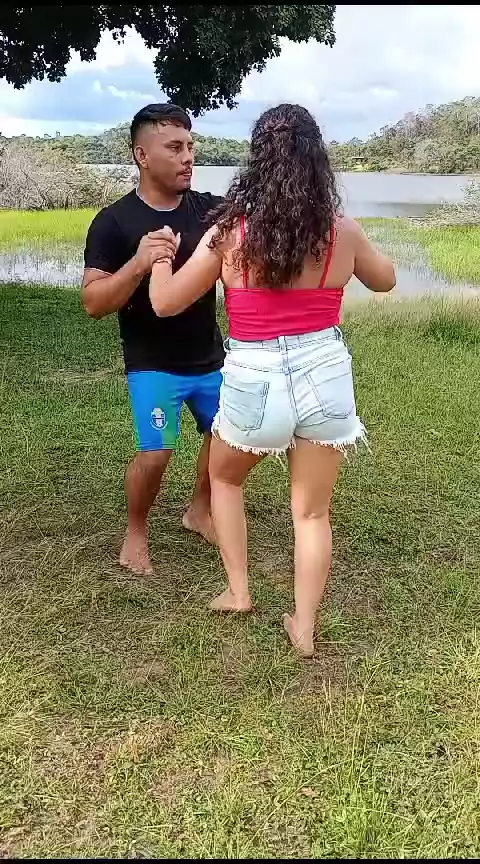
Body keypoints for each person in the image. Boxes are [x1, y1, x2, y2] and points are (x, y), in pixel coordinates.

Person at [149, 103, 396, 656]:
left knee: (225, 479)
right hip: (324, 375)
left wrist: (161, 259)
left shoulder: (228, 234)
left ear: (257, 162)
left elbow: (165, 303)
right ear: (317, 162)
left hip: (255, 377)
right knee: (312, 511)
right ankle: (303, 627)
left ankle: (239, 592)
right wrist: (357, 248)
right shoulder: (342, 231)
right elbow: (385, 281)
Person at [81, 103, 224, 575]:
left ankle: (200, 509)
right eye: (175, 147)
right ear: (142, 155)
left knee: (228, 437)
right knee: (157, 451)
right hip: (152, 362)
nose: (188, 157)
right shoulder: (114, 222)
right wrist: (139, 264)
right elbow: (94, 302)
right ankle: (136, 530)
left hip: (209, 355)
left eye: (191, 146)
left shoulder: (208, 209)